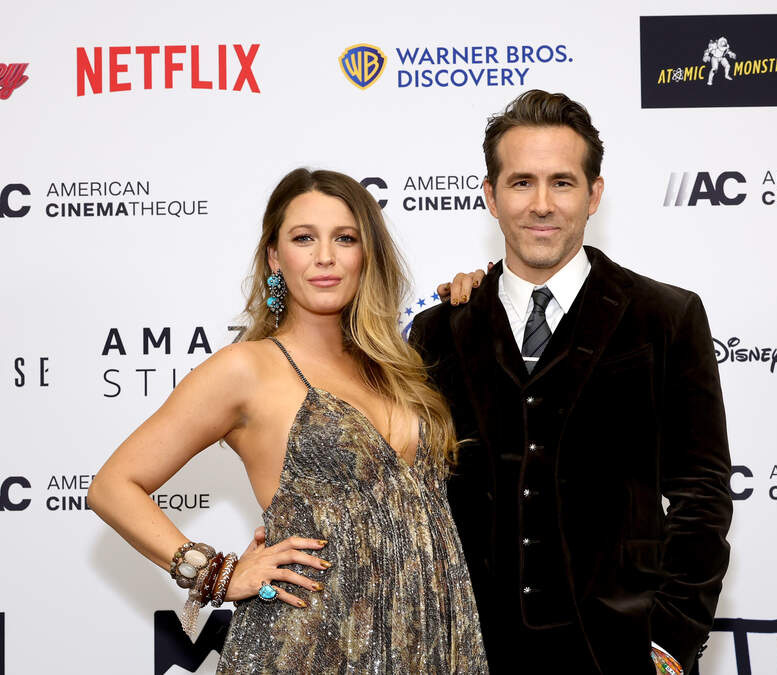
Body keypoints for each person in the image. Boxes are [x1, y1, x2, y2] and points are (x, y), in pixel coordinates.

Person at [89, 168, 487, 674]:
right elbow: (112, 486)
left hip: (427, 639)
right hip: (309, 644)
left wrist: (486, 295)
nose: (325, 257)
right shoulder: (246, 368)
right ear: (275, 258)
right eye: (304, 238)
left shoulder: (399, 366)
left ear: (368, 256)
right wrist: (214, 573)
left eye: (345, 238)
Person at [410, 90, 732, 674]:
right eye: (521, 182)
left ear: (594, 194)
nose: (541, 204)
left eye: (561, 182)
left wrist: (668, 644)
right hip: (470, 652)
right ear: (490, 196)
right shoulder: (439, 330)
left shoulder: (666, 317)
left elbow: (702, 495)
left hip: (620, 652)